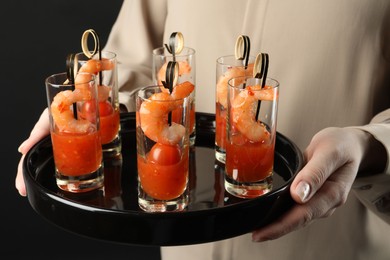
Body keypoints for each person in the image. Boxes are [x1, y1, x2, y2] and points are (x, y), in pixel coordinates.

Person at [16, 0, 390, 259]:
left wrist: (372, 145)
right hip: (183, 244)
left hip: (335, 246)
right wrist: (90, 113)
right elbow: (132, 63)